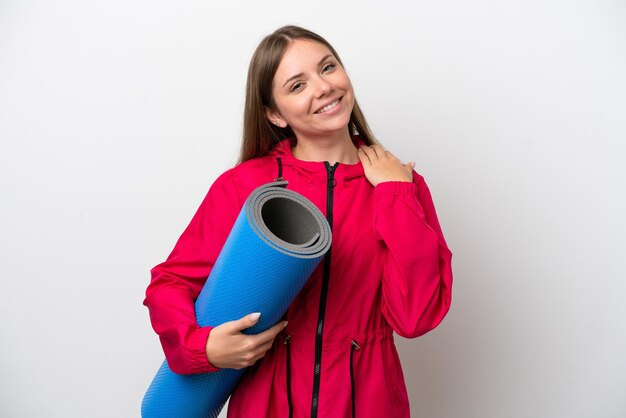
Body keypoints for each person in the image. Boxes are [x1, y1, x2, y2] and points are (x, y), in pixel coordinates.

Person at [144, 25, 453, 418]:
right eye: (297, 85)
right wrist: (199, 347)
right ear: (274, 113)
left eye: (328, 68)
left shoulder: (400, 186)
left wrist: (396, 196)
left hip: (370, 402)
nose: (323, 87)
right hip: (266, 402)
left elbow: (416, 317)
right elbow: (171, 282)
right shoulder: (245, 185)